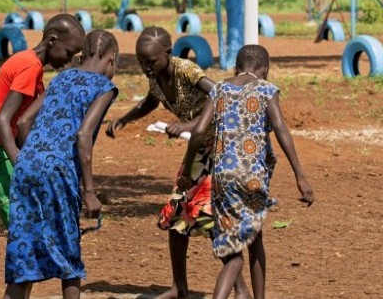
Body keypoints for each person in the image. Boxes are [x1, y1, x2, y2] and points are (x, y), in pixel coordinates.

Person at [106, 26, 248, 299]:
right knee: (176, 213)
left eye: (151, 61)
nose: (147, 67)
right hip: (197, 148)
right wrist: (124, 119)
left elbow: (221, 95)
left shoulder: (187, 70)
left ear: (168, 53)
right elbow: (150, 102)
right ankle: (179, 287)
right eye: (141, 62)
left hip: (220, 148)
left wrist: (188, 124)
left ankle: (241, 291)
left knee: (208, 217)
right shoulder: (157, 78)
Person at [181, 45, 314, 299]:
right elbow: (280, 127)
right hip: (252, 179)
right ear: (265, 70)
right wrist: (300, 175)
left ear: (235, 68)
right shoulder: (265, 89)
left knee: (235, 250)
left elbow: (198, 132)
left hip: (222, 178)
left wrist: (188, 169)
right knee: (253, 244)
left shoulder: (219, 89)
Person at [3, 30, 119, 299]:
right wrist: (89, 192)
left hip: (26, 165)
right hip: (59, 171)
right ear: (111, 59)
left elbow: (22, 123)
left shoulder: (61, 78)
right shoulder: (104, 88)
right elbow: (83, 136)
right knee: (69, 257)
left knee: (25, 251)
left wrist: (34, 155)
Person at [0, 14, 85, 225]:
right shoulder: (30, 67)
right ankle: (27, 253)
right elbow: (2, 120)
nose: (68, 60)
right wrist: (22, 164)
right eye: (69, 53)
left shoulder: (30, 63)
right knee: (21, 214)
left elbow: (23, 120)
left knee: (28, 206)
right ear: (52, 40)